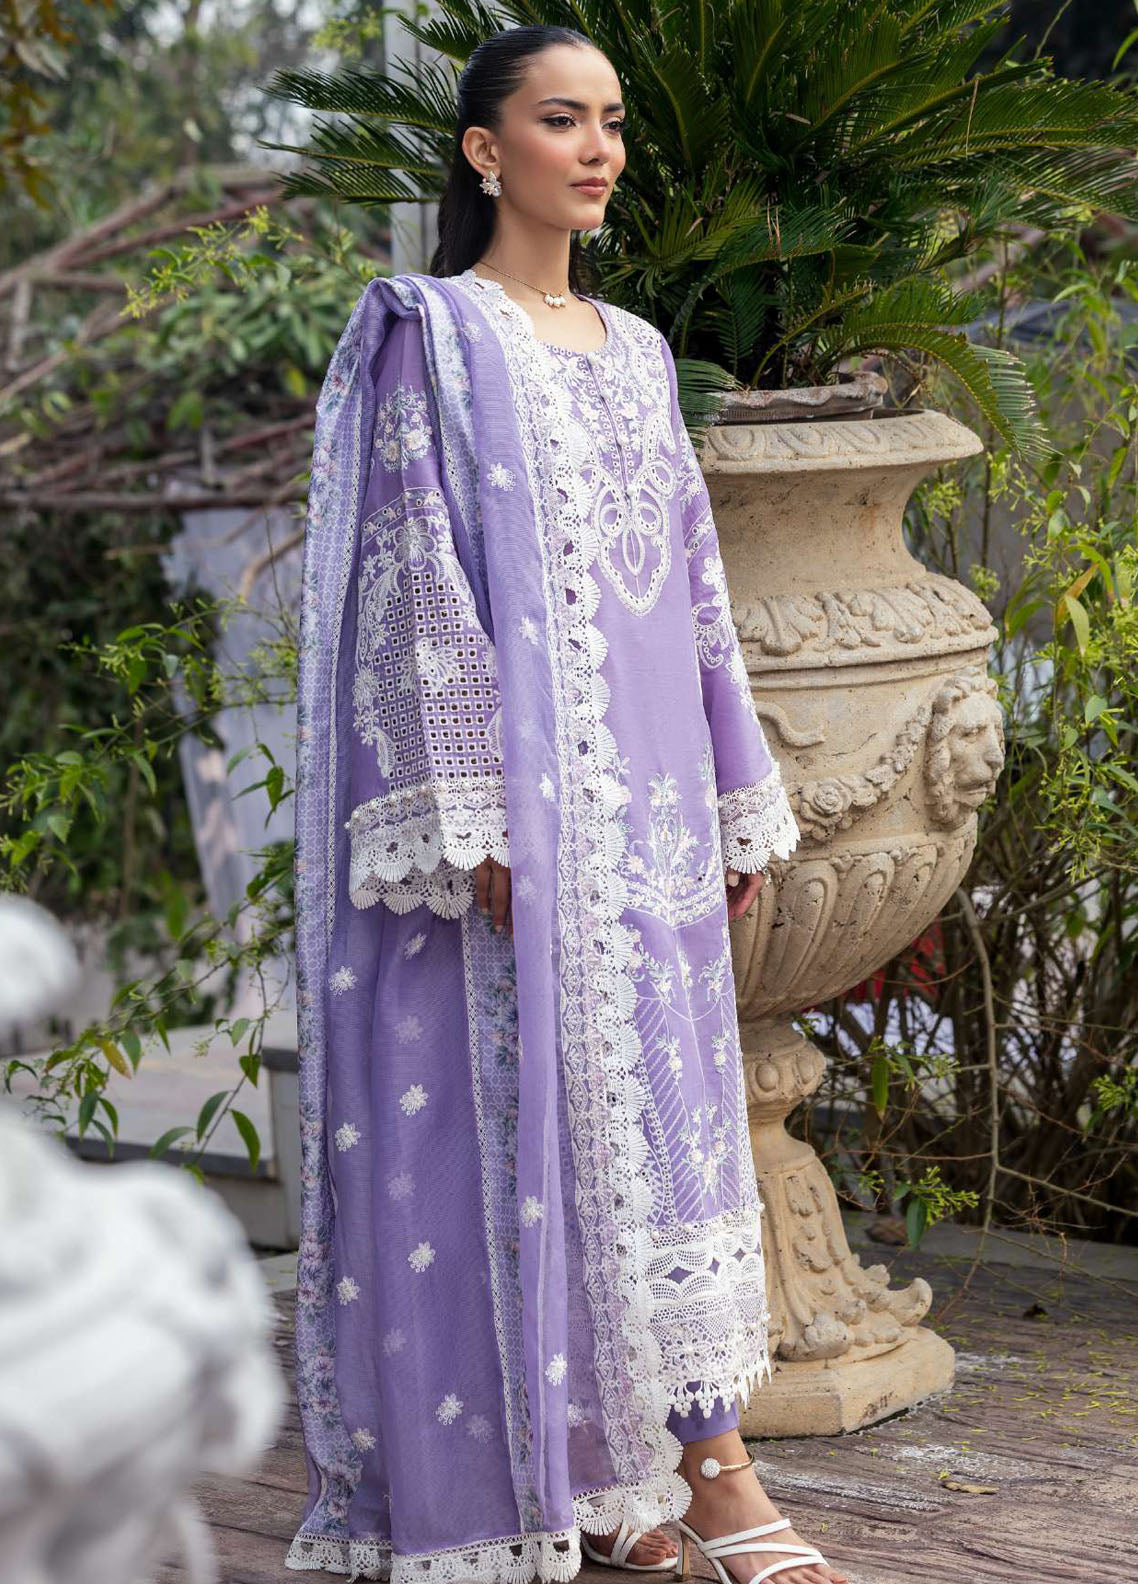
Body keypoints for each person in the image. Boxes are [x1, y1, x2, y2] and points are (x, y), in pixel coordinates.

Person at [287, 21, 849, 1584]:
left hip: (649, 811)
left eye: (607, 120)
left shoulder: (642, 350)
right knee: (513, 1126)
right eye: (559, 119)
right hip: (522, 813)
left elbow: (693, 584)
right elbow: (411, 574)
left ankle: (672, 1471)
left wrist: (731, 793)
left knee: (656, 1136)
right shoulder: (428, 333)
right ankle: (635, 1485)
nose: (596, 148)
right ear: (485, 151)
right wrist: (472, 816)